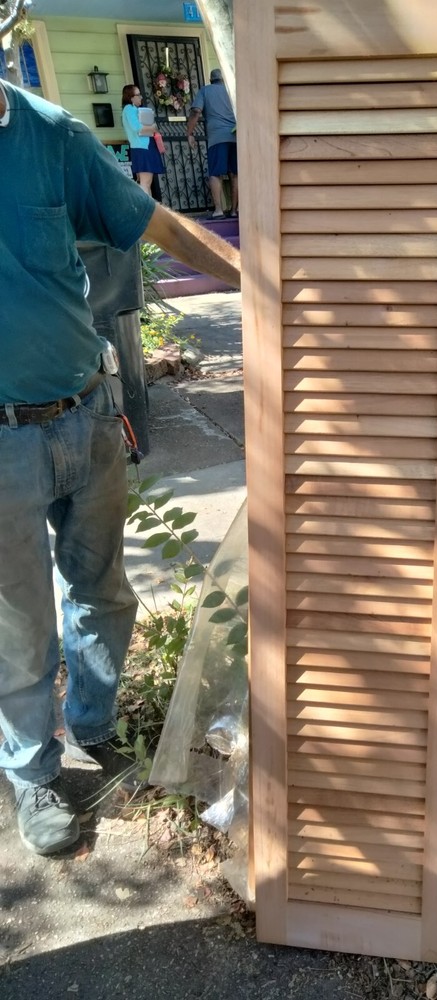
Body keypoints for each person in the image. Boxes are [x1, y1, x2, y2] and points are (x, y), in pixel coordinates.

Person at [0, 79, 241, 857]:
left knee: (102, 589)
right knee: (19, 620)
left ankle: (94, 730)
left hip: (87, 413)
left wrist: (266, 284)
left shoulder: (52, 136)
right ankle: (33, 771)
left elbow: (157, 223)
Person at [186, 68, 238, 218]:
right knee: (235, 174)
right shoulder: (233, 91)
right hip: (235, 136)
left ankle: (219, 210)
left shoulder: (205, 91)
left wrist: (189, 133)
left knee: (215, 173)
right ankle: (234, 211)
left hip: (217, 138)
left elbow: (196, 111)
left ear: (211, 80)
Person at [121, 83, 164, 194]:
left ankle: (149, 209)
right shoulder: (129, 109)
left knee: (147, 182)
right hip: (142, 147)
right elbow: (137, 128)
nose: (141, 97)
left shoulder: (135, 109)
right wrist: (153, 127)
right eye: (138, 95)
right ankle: (145, 210)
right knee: (145, 182)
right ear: (131, 97)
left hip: (144, 147)